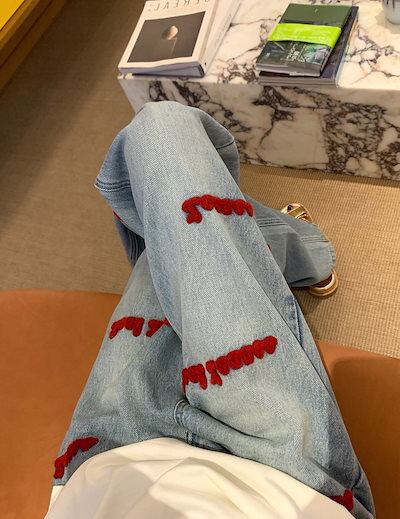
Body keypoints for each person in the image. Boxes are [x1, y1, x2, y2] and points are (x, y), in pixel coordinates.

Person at [46, 102, 374, 519]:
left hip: (107, 465)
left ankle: (276, 242)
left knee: (160, 143)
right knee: (170, 155)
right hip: (277, 478)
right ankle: (303, 250)